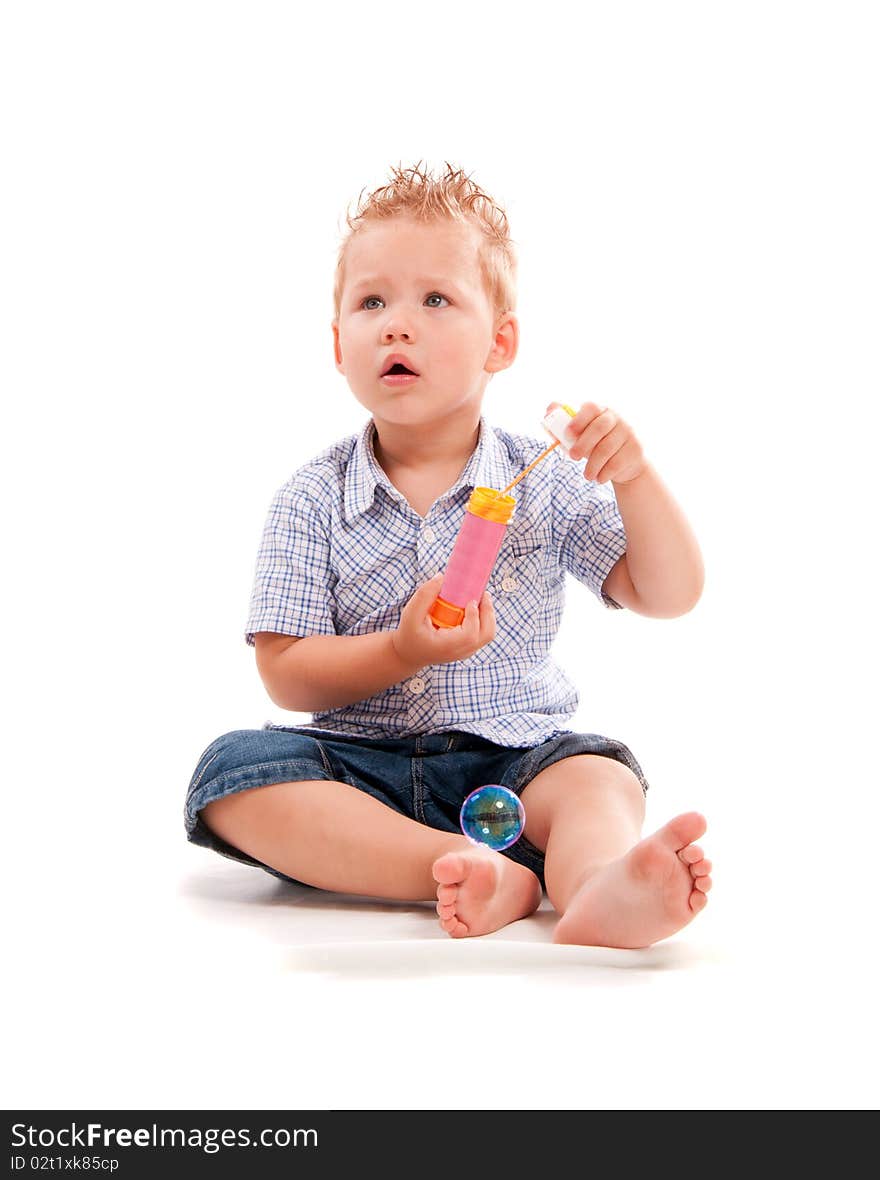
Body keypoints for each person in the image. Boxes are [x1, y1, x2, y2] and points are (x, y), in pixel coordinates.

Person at [184, 161, 712, 948]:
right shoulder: (309, 498)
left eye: (435, 300)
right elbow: (285, 673)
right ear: (337, 344)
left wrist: (633, 477)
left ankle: (600, 884)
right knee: (231, 774)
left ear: (500, 341)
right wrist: (399, 649)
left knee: (597, 778)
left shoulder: (545, 482)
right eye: (372, 302)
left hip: (516, 764)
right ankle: (472, 868)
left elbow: (667, 593)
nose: (398, 325)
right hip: (359, 770)